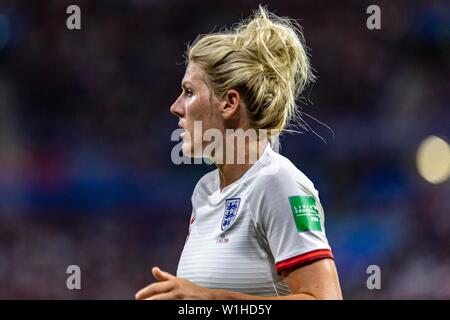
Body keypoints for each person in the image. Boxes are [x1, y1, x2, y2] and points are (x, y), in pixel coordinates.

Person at [136, 6, 342, 300]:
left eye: (190, 92)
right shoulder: (205, 191)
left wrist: (212, 299)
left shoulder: (276, 181)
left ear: (229, 103)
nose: (176, 107)